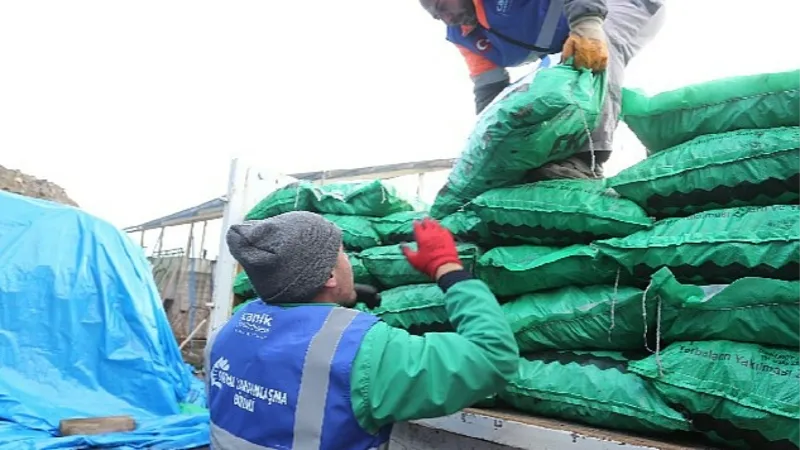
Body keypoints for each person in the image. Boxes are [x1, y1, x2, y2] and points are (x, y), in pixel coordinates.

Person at [204, 211, 519, 449]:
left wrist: (343, 304)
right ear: (329, 275)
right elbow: (491, 356)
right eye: (342, 252)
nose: (349, 260)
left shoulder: (228, 330)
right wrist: (447, 269)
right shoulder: (363, 352)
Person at [419, 0, 665, 179]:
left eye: (442, 7)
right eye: (436, 16)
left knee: (592, 47)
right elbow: (490, 91)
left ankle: (586, 158)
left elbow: (587, 26)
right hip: (568, 30)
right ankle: (546, 158)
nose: (446, 18)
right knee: (537, 92)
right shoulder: (464, 36)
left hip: (615, 5)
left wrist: (587, 21)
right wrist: (490, 149)